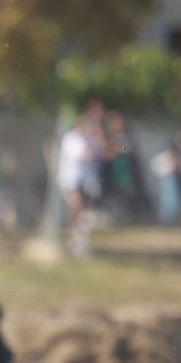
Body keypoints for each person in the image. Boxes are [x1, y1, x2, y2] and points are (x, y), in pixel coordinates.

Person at [56, 99, 105, 259]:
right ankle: (73, 244)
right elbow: (84, 156)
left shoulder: (89, 139)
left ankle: (78, 245)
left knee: (82, 215)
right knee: (76, 212)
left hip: (85, 183)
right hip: (71, 182)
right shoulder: (72, 138)